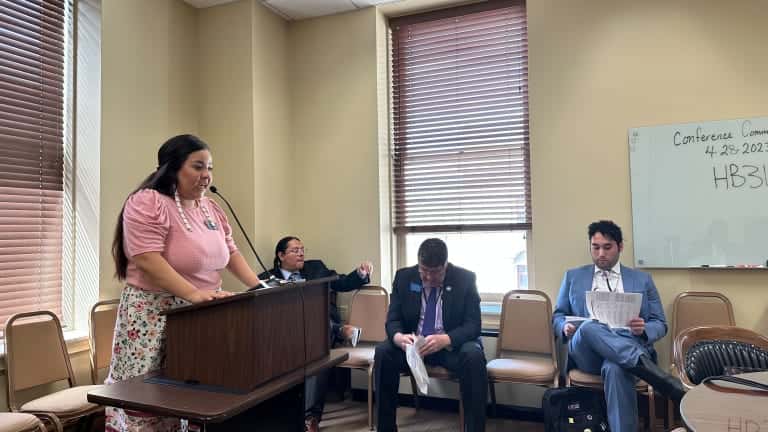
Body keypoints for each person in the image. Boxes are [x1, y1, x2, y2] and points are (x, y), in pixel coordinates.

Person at [106, 134, 263, 432]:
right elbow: (146, 258)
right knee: (150, 400)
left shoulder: (210, 207)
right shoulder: (148, 202)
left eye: (210, 168)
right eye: (198, 166)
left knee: (193, 398)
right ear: (173, 167)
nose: (207, 176)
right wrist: (194, 295)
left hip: (200, 313)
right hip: (154, 313)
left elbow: (230, 251)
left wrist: (258, 288)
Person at [552, 220, 685, 432]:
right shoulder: (573, 277)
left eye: (607, 247)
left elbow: (660, 323)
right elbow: (558, 316)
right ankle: (658, 377)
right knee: (588, 327)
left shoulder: (642, 280)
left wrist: (644, 329)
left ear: (620, 247)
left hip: (628, 343)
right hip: (587, 351)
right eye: (595, 247)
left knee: (615, 368)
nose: (601, 254)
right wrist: (563, 328)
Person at [259, 236, 372, 432]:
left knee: (317, 345)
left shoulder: (316, 268)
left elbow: (342, 282)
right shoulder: (265, 278)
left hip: (318, 332)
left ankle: (310, 418)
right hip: (286, 333)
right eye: (295, 250)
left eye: (302, 249)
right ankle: (340, 330)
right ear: (281, 255)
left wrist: (361, 274)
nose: (301, 253)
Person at [374, 238, 487, 432]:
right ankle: (386, 428)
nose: (427, 277)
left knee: (474, 356)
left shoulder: (465, 279)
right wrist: (399, 337)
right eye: (423, 270)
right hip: (414, 348)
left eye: (434, 272)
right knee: (383, 352)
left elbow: (473, 325)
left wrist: (447, 339)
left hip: (448, 348)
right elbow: (392, 320)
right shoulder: (404, 277)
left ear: (445, 266)